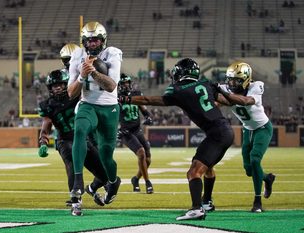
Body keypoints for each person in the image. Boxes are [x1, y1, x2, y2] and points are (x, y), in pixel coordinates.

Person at [119, 58, 235, 221]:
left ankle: (197, 209)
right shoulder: (205, 83)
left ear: (181, 73)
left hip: (216, 133)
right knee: (207, 167)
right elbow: (227, 102)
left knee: (193, 172)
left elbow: (148, 100)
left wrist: (125, 99)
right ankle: (207, 201)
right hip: (225, 130)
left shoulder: (178, 89)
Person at [67, 21, 122, 215]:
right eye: (89, 40)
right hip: (88, 105)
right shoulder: (77, 55)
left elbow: (111, 86)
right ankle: (78, 180)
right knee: (79, 130)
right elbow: (71, 93)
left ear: (103, 40)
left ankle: (114, 182)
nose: (92, 44)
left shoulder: (113, 53)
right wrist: (82, 77)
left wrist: (94, 72)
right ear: (83, 41)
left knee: (106, 156)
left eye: (96, 40)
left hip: (109, 108)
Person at [38, 70, 108, 214]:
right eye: (54, 85)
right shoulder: (47, 105)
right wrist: (43, 142)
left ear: (67, 84)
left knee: (104, 175)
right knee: (72, 164)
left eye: (60, 84)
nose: (57, 88)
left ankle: (92, 189)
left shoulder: (77, 96)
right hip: (64, 140)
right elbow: (46, 124)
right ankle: (75, 202)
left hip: (83, 139)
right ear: (49, 88)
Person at [215, 61, 276, 213]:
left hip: (262, 128)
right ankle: (267, 178)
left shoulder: (256, 86)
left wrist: (223, 93)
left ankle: (257, 201)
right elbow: (218, 103)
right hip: (247, 130)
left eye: (236, 80)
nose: (232, 83)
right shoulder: (226, 89)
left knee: (255, 160)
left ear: (247, 79)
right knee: (249, 170)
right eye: (230, 80)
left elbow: (246, 101)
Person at [117, 73, 154, 194]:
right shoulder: (115, 97)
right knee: (141, 153)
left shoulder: (135, 94)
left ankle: (136, 179)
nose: (126, 85)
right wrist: (117, 128)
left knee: (148, 160)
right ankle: (148, 182)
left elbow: (143, 109)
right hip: (126, 132)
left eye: (128, 83)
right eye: (124, 83)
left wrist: (148, 116)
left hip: (137, 130)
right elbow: (112, 114)